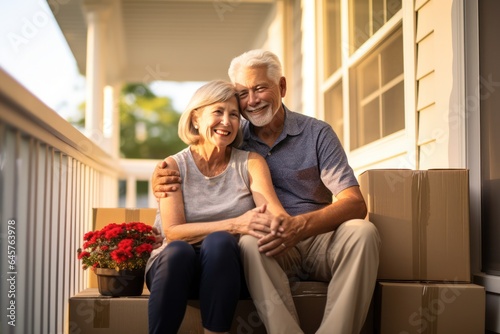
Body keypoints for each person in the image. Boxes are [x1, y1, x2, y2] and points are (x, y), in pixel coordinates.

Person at [152, 50, 381, 334]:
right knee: (249, 242)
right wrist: (160, 176)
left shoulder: (317, 133)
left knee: (363, 232)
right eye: (243, 93)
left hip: (318, 237)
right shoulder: (232, 135)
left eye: (260, 88)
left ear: (281, 87)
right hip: (270, 246)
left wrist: (300, 226)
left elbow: (355, 203)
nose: (252, 100)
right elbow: (198, 155)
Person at [146, 80, 288, 334]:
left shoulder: (251, 163)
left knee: (220, 243)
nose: (226, 121)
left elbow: (272, 214)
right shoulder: (173, 167)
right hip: (174, 271)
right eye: (218, 112)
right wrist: (236, 224)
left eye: (234, 114)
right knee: (180, 250)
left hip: (227, 271)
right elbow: (174, 232)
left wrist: (283, 226)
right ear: (195, 119)